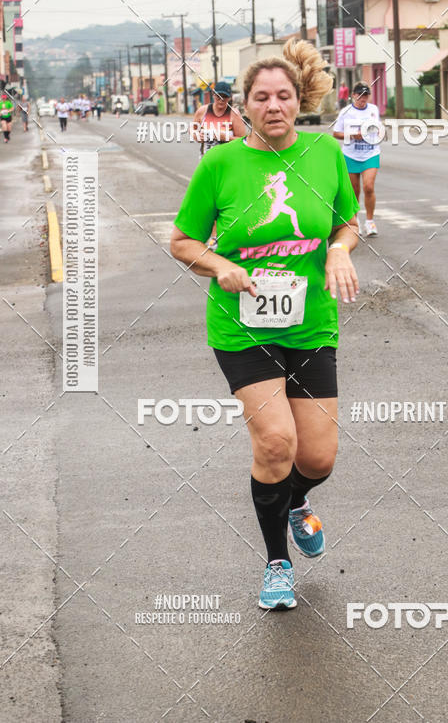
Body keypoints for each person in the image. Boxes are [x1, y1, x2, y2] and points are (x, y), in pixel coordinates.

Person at [171, 39, 360, 610]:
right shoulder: (220, 164)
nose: (273, 105)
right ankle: (278, 563)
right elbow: (182, 241)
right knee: (277, 442)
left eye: (283, 96)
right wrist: (220, 265)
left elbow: (346, 223)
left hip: (311, 323)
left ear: (299, 100)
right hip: (242, 327)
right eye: (261, 97)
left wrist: (338, 251)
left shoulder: (325, 154)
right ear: (245, 105)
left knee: (317, 458)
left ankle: (296, 500)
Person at [332, 81, 382, 236]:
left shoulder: (373, 110)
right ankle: (355, 221)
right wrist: (353, 135)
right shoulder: (346, 112)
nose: (363, 98)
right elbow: (336, 133)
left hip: (371, 153)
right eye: (360, 95)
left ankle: (370, 222)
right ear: (353, 95)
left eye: (366, 95)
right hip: (351, 155)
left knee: (368, 187)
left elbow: (378, 128)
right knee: (354, 191)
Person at [191, 81, 247, 158]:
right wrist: (195, 135)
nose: (221, 100)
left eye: (225, 96)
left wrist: (226, 137)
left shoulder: (234, 114)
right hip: (206, 160)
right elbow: (192, 128)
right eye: (218, 96)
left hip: (228, 161)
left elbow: (243, 141)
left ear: (229, 97)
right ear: (213, 95)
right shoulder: (203, 111)